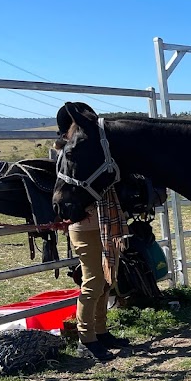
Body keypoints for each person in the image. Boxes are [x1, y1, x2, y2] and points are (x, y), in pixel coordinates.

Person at [54, 136, 131, 362]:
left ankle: (100, 331)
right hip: (85, 227)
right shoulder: (69, 162)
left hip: (106, 224)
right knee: (93, 282)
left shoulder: (96, 158)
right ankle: (86, 339)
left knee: (107, 280)